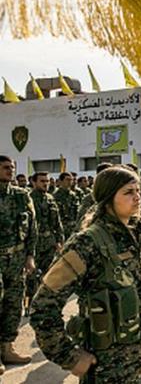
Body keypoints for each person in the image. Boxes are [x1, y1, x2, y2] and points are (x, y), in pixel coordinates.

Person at [30, 166, 141, 383]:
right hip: (110, 369)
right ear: (108, 198)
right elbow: (43, 306)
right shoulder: (87, 243)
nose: (138, 197)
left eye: (138, 190)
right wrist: (68, 356)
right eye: (128, 192)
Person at [0, 155, 37, 375]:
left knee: (13, 304)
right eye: (5, 168)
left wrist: (30, 256)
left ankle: (7, 348)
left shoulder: (22, 196)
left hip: (15, 259)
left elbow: (33, 228)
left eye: (12, 168)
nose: (10, 171)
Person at [25, 172, 64, 316]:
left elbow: (57, 222)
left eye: (47, 181)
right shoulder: (27, 198)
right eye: (42, 181)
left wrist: (60, 241)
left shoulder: (50, 198)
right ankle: (29, 305)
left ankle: (45, 304)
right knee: (32, 276)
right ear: (34, 182)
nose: (45, 184)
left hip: (49, 243)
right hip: (34, 243)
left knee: (49, 275)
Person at [54, 172, 80, 238]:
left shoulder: (73, 195)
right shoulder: (55, 196)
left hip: (73, 228)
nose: (70, 182)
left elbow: (77, 211)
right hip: (62, 228)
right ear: (61, 181)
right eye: (67, 180)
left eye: (71, 180)